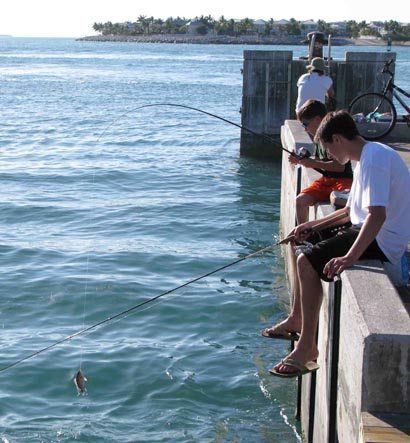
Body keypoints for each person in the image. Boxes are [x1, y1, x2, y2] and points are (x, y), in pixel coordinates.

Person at [267, 110, 410, 378]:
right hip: (365, 228)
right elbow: (349, 212)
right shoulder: (365, 157)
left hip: (383, 238)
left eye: (328, 149)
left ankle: (307, 347)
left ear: (337, 138)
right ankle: (297, 318)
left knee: (306, 261)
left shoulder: (375, 160)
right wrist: (309, 227)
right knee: (303, 243)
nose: (330, 157)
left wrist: (350, 257)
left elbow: (377, 216)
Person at [290, 99, 353, 224]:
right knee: (300, 201)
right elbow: (320, 163)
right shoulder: (318, 139)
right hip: (326, 181)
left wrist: (312, 163)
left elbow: (340, 167)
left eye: (306, 124)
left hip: (344, 181)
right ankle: (304, 236)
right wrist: (302, 161)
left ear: (318, 120)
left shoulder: (333, 136)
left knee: (339, 202)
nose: (305, 129)